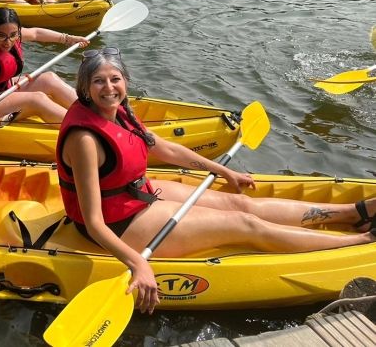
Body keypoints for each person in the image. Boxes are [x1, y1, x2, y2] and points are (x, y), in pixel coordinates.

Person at [57, 47, 376, 315]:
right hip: (116, 223)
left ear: (126, 81)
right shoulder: (85, 140)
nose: (108, 88)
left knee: (240, 202)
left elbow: (162, 147)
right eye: (98, 82)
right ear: (85, 88)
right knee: (243, 223)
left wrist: (223, 171)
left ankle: (354, 212)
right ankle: (361, 243)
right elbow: (94, 221)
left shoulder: (119, 109)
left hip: (136, 193)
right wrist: (138, 263)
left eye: (115, 79)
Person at [0, 7, 89, 159]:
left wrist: (69, 38)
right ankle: (87, 127)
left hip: (1, 88)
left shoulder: (11, 33)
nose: (8, 42)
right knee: (37, 99)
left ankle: (92, 111)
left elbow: (36, 33)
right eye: (1, 36)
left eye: (13, 35)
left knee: (48, 78)